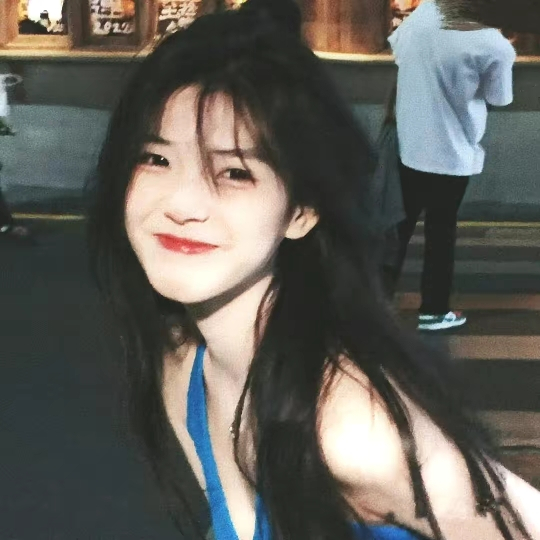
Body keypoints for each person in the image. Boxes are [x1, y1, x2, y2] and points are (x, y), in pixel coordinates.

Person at [87, 6, 539, 540]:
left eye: (234, 172)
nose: (182, 204)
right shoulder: (185, 361)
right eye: (155, 159)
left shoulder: (354, 432)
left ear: (302, 211)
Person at [383, 0, 516, 331]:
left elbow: (398, 52)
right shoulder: (494, 44)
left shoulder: (425, 12)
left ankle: (376, 304)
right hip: (452, 151)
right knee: (440, 231)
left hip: (409, 143)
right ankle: (433, 310)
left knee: (397, 227)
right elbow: (499, 98)